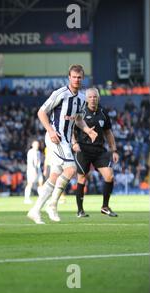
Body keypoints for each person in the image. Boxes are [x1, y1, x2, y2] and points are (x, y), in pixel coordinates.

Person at [27, 64, 98, 224]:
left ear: (82, 78)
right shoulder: (60, 93)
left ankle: (36, 209)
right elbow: (41, 112)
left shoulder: (81, 98)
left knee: (54, 175)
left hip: (66, 140)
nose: (77, 80)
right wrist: (51, 131)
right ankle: (52, 205)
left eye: (79, 77)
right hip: (56, 138)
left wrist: (88, 130)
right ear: (69, 77)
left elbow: (78, 120)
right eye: (74, 77)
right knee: (71, 169)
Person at [73, 87, 119, 217]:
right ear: (86, 99)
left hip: (99, 150)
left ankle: (105, 207)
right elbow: (71, 129)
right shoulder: (80, 112)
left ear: (98, 98)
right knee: (82, 178)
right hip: (83, 149)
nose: (93, 99)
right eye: (90, 97)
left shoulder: (103, 112)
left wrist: (114, 150)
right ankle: (80, 210)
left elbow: (108, 132)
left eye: (95, 97)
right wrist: (74, 143)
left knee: (109, 175)